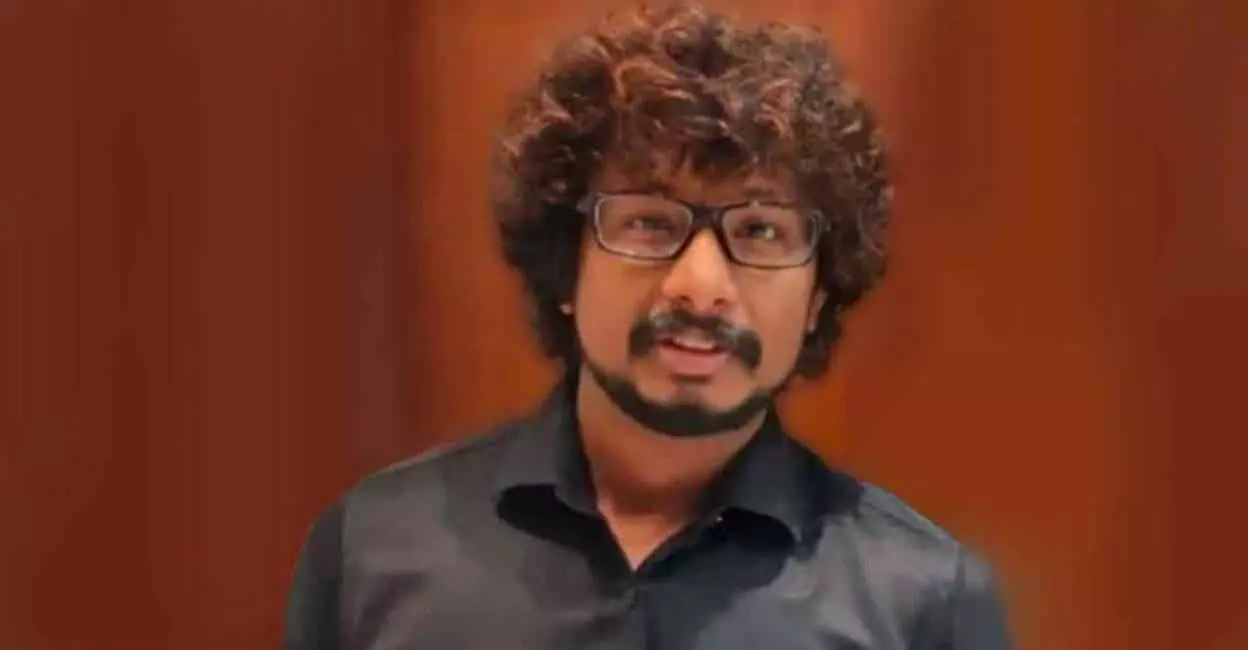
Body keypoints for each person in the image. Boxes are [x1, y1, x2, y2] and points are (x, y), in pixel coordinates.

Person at [284, 3, 1014, 649]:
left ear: (818, 295)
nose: (701, 287)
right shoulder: (372, 552)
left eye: (760, 231)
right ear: (565, 266)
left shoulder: (926, 605)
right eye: (648, 223)